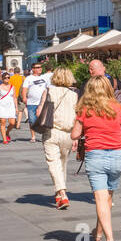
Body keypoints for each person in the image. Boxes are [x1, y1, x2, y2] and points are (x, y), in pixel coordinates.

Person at [70, 75, 121, 241]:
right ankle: (97, 235)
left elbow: (75, 135)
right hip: (118, 156)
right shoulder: (118, 107)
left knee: (100, 200)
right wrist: (114, 138)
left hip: (95, 156)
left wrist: (79, 124)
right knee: (107, 199)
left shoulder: (85, 110)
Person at [36, 66, 79, 209]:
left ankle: (62, 193)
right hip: (68, 134)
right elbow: (77, 117)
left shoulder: (48, 91)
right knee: (62, 164)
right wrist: (77, 138)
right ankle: (59, 196)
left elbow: (39, 112)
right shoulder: (74, 94)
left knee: (53, 163)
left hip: (51, 132)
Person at [23, 62, 50, 142]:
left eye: (40, 67)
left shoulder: (44, 78)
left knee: (43, 120)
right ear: (33, 69)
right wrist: (24, 98)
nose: (40, 69)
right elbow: (24, 89)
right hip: (31, 103)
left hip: (42, 103)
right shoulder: (29, 78)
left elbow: (48, 88)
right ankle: (33, 136)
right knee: (32, 120)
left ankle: (45, 134)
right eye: (38, 67)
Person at [0, 73, 20, 144]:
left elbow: (14, 98)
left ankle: (7, 132)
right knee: (3, 122)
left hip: (11, 106)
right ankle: (4, 139)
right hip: (2, 106)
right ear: (2, 79)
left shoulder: (12, 87)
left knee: (12, 123)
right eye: (5, 78)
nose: (7, 79)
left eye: (8, 77)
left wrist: (16, 107)